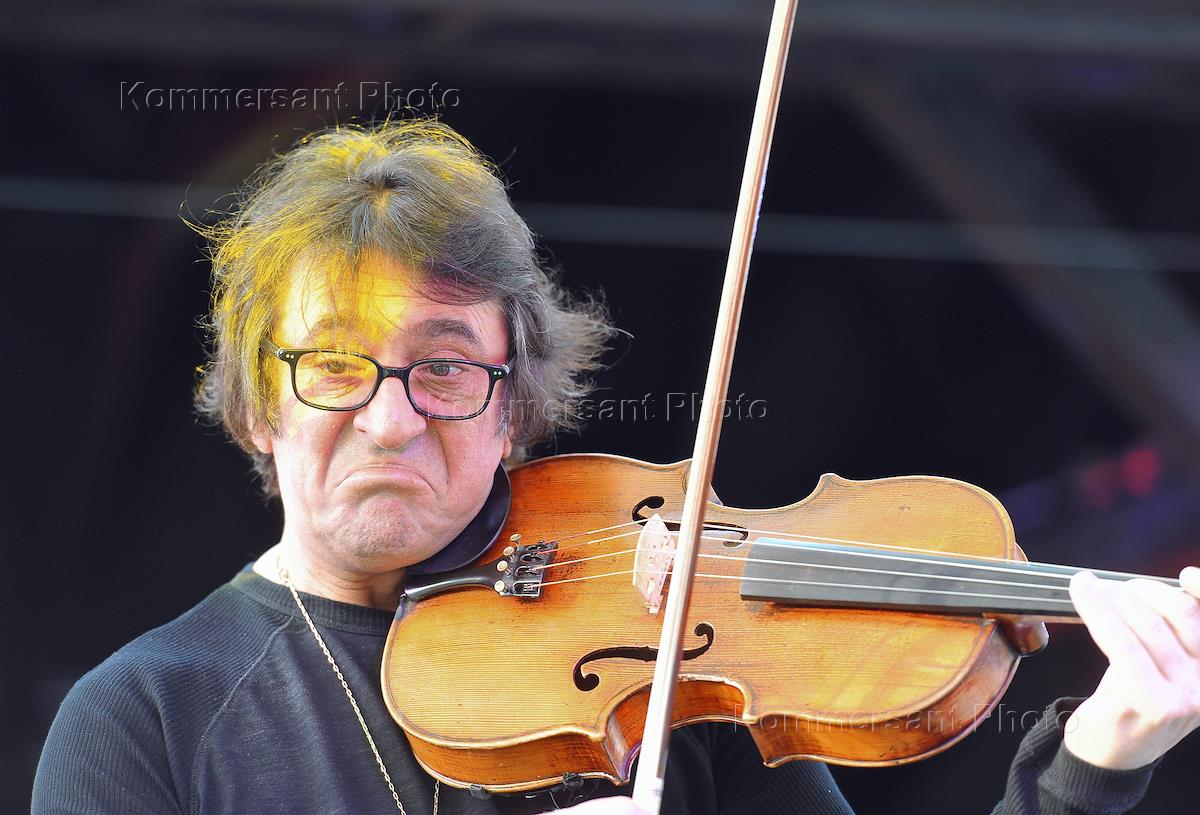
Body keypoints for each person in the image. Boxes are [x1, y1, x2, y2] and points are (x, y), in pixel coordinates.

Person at [32, 119, 1200, 815]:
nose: (392, 419)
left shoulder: (666, 661)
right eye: (336, 364)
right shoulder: (147, 717)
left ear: (513, 411)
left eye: (446, 368)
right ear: (258, 405)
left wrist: (1093, 764)